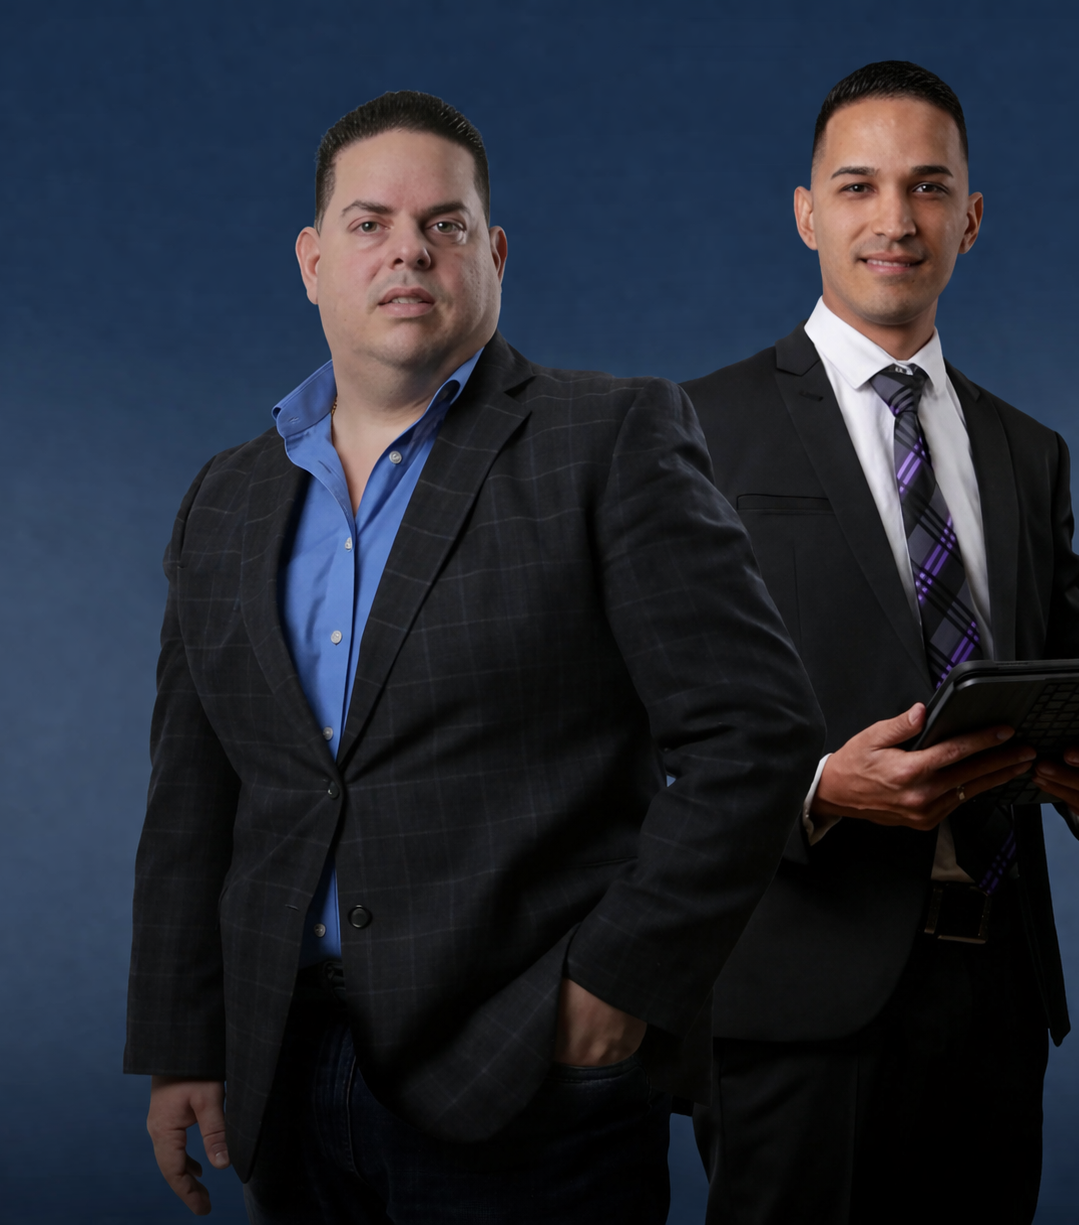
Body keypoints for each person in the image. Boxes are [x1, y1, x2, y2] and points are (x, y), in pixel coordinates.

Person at [123, 90, 823, 1225]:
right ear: (312, 261)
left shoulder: (607, 440)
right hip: (283, 1073)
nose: (407, 249)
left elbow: (757, 738)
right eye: (369, 223)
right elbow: (192, 799)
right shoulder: (226, 497)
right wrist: (182, 1040)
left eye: (442, 224)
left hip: (526, 1076)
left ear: (491, 256)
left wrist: (611, 986)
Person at [685, 61, 1079, 1224]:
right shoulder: (694, 429)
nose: (894, 219)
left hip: (995, 991)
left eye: (927, 186)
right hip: (795, 996)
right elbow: (625, 725)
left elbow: (1049, 681)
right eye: (857, 186)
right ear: (805, 213)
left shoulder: (1027, 450)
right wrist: (814, 791)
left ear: (970, 217)